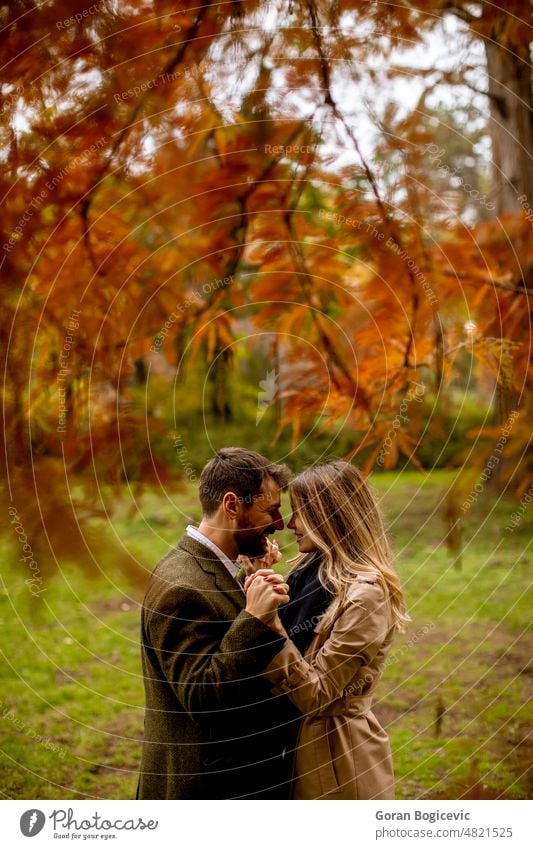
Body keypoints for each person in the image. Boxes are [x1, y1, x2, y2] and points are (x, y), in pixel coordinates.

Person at [137, 447, 298, 799]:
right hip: (209, 790)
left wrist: (252, 584)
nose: (279, 524)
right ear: (232, 505)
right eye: (270, 510)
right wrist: (253, 619)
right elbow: (201, 696)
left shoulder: (211, 570)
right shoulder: (181, 587)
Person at [244, 460, 409, 799]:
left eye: (299, 513)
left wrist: (267, 624)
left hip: (336, 761)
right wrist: (258, 581)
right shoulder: (310, 571)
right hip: (295, 748)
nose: (288, 524)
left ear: (330, 516)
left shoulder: (367, 596)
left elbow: (317, 695)